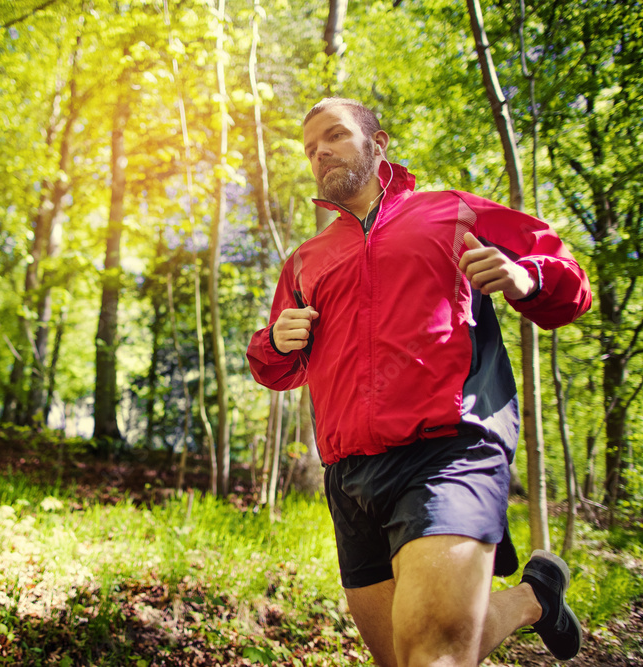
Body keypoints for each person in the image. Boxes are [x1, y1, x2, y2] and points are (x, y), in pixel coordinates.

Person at [247, 98, 590, 667]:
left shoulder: (451, 211)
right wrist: (276, 341)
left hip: (449, 451)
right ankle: (534, 600)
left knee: (432, 654)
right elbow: (276, 368)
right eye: (311, 148)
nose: (321, 152)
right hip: (351, 476)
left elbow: (570, 283)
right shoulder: (306, 260)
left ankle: (529, 599)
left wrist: (523, 276)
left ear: (378, 145)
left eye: (334, 136)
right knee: (407, 658)